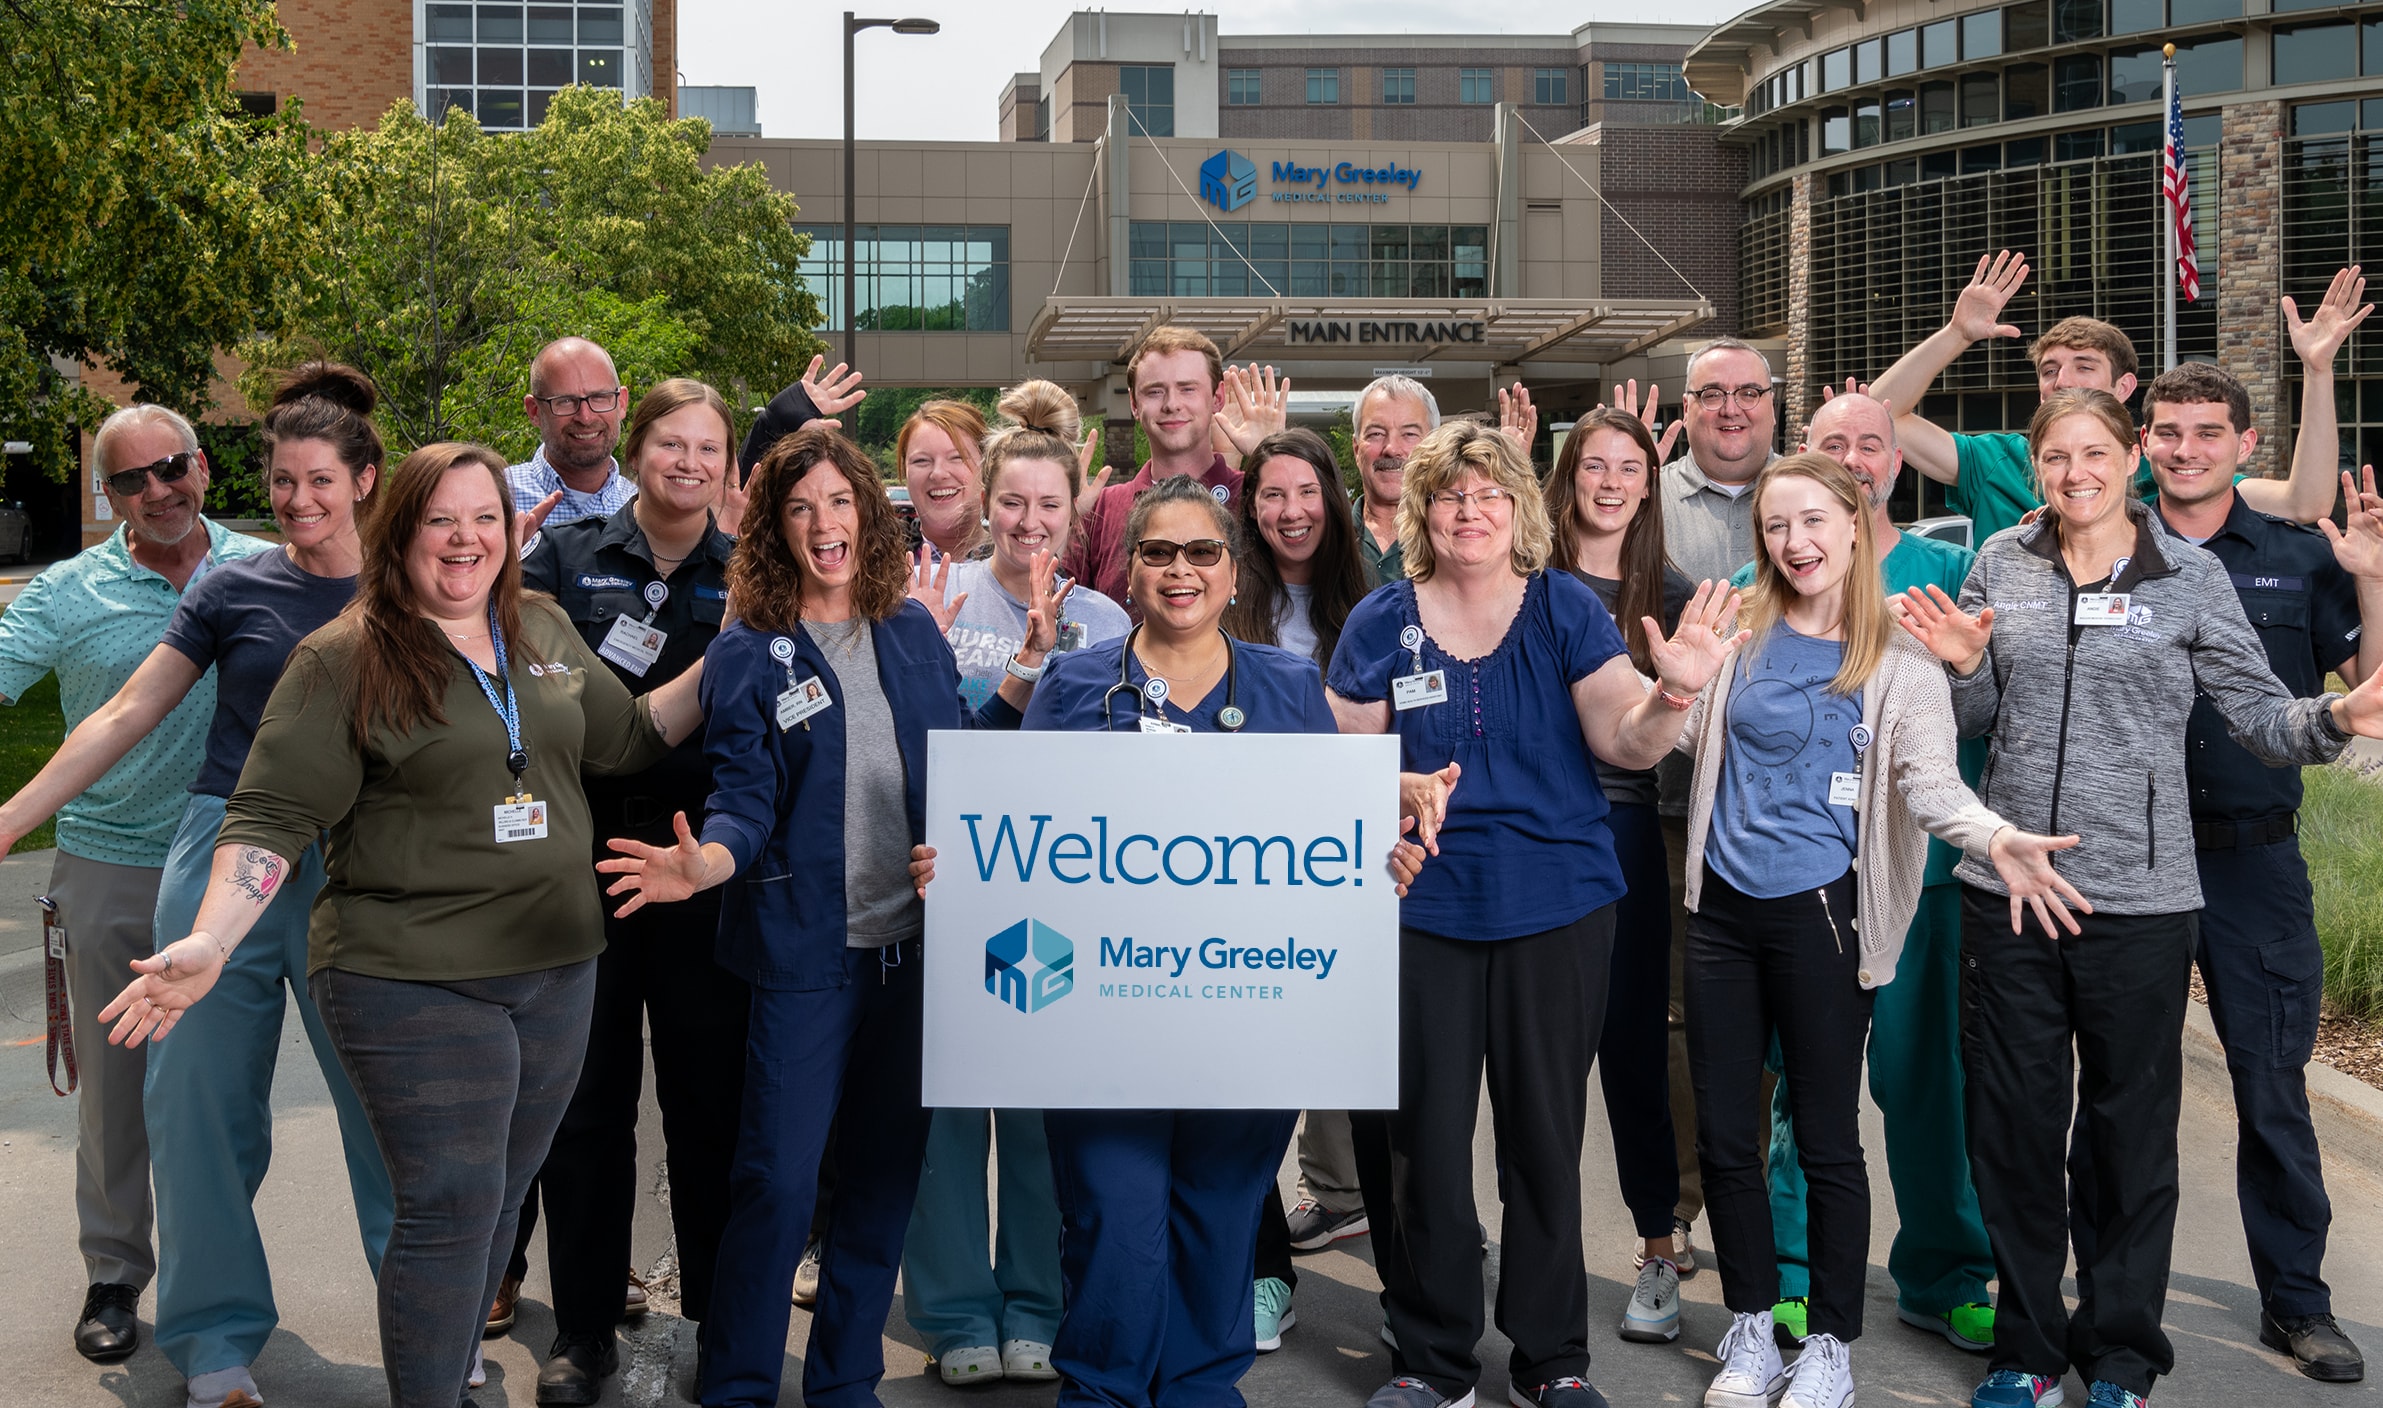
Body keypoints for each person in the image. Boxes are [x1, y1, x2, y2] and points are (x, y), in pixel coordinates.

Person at [98, 440, 708, 1407]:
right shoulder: (346, 657)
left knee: (498, 1203)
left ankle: (448, 1379)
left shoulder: (540, 626)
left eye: (484, 519)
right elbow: (268, 816)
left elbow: (627, 735)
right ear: (400, 533)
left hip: (557, 969)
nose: (465, 540)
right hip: (412, 978)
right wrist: (212, 937)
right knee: (448, 1208)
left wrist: (740, 645)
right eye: (440, 520)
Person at [1896, 389, 2383, 1408]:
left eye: (2094, 453)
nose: (2076, 472)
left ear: (2131, 460)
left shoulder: (2190, 577)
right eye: (2056, 457)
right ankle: (2027, 1351)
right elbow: (1979, 714)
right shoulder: (2000, 565)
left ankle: (2119, 1353)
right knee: (2016, 1128)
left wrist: (2339, 713)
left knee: (2125, 1135)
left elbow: (2257, 715)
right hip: (2013, 888)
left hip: (2141, 900)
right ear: (2037, 469)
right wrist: (1964, 668)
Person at [907, 471, 1421, 1408]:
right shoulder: (1070, 685)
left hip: (1242, 1018)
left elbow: (1325, 845)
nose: (1178, 570)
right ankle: (1102, 1391)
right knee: (1112, 1220)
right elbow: (1012, 841)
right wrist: (961, 871)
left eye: (1201, 552)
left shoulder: (1286, 686)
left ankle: (1196, 1391)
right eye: (1157, 552)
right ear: (1130, 569)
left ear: (1232, 573)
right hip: (1099, 1025)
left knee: (1219, 1222)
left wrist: (1378, 867)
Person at [596, 423, 1044, 1408]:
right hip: (805, 953)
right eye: (799, 508)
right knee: (777, 1181)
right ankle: (744, 1382)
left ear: (866, 515)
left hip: (913, 957)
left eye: (839, 502)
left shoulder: (913, 630)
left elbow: (956, 758)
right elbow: (744, 798)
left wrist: (1017, 680)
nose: (823, 523)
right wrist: (704, 860)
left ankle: (844, 1378)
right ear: (774, 528)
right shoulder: (751, 651)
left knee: (885, 1182)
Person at [1327, 419, 1742, 1408]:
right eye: (1448, 494)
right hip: (1418, 908)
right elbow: (1332, 770)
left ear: (1516, 507)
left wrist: (1673, 694)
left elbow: (1625, 740)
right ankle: (1433, 1361)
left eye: (1487, 493)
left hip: (1557, 905)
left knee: (1544, 1139)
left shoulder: (1562, 608)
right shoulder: (1379, 620)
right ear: (1421, 510)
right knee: (1422, 1143)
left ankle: (1552, 1358)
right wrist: (1392, 788)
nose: (1467, 511)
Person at [0, 367, 393, 1408]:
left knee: (391, 1105)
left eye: (320, 481)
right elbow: (123, 714)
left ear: (364, 480)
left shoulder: (405, 585)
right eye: (283, 483)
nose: (300, 501)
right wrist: (10, 817)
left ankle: (429, 1324)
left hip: (366, 862)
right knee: (196, 1106)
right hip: (223, 848)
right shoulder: (232, 586)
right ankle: (215, 1340)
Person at [1673, 452, 2081, 1408]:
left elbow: (1929, 786)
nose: (1794, 542)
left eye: (1813, 521)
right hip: (1719, 914)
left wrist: (1995, 837)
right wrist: (1669, 690)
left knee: (1825, 1139)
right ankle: (1748, 1327)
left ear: (1855, 526)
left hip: (1823, 914)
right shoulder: (1737, 633)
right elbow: (1672, 741)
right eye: (1775, 526)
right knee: (1729, 1138)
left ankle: (1828, 1347)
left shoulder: (1898, 656)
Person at [0, 402, 274, 1366]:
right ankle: (115, 1271)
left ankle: (215, 1264)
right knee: (118, 1090)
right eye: (131, 479)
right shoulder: (70, 590)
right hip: (113, 863)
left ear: (202, 464)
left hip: (245, 872)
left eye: (172, 468)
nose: (158, 490)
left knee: (224, 1091)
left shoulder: (267, 567)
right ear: (104, 492)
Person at [1732, 389, 2002, 1357]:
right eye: (1832, 443)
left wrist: (1967, 670)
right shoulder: (1757, 577)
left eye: (1871, 444)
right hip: (1793, 885)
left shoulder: (1946, 572)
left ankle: (1946, 1271)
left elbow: (1980, 708)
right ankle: (1795, 1275)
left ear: (1897, 463)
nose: (1854, 457)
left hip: (1914, 878)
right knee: (1805, 1090)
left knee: (1923, 1080)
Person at [2128, 363, 2380, 1383]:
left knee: (2273, 1089)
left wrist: (2369, 570)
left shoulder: (2291, 554)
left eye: (2205, 432)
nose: (2184, 448)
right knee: (2121, 1094)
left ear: (2244, 443)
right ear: (2143, 441)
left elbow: (2367, 688)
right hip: (2131, 858)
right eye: (2166, 431)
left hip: (2251, 862)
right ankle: (2115, 1306)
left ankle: (2298, 1304)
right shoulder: (2106, 546)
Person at [512, 379, 750, 1404]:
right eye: (671, 442)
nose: (688, 462)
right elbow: (530, 704)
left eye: (709, 448)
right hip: (588, 865)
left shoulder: (751, 574)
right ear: (637, 448)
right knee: (585, 1109)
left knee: (710, 1107)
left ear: (726, 467)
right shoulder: (562, 562)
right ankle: (583, 1329)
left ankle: (714, 1321)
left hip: (703, 871)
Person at [898, 379, 1124, 1389]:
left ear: (1075, 512)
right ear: (985, 501)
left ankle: (1039, 1302)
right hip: (942, 891)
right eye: (1013, 503)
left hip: (1057, 900)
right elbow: (909, 747)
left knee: (1039, 1122)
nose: (1030, 523)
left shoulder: (1113, 619)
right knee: (945, 1116)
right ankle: (954, 1312)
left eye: (1050, 506)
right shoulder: (926, 598)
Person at [1543, 401, 1695, 1346]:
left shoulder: (1671, 591)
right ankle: (1542, 1251)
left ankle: (1655, 1245)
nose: (1608, 482)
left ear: (1649, 483)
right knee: (1537, 1060)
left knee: (1633, 1049)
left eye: (1626, 468)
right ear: (1567, 479)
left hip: (1627, 835)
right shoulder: (1524, 582)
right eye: (1592, 466)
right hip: (1530, 834)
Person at [1868, 252, 2360, 539]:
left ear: (2123, 388)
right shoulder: (1996, 460)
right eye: (2050, 370)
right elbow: (1883, 414)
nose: (2062, 381)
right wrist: (1957, 334)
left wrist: (2317, 371)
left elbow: (2303, 502)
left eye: (2084, 367)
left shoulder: (2166, 466)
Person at [1654, 340, 1780, 1277]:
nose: (1730, 410)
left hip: (1798, 811)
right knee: (1687, 1018)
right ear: (1685, 409)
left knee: (1793, 1019)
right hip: (1675, 804)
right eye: (1711, 396)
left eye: (1748, 393)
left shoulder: (1813, 493)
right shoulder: (1648, 504)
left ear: (1774, 404)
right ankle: (1682, 1211)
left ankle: (1775, 1206)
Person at [1059, 329, 1285, 605]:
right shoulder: (1101, 509)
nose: (1171, 404)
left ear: (1217, 397)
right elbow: (1055, 599)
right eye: (1155, 392)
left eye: (1187, 389)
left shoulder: (1255, 496)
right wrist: (1061, 522)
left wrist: (1274, 459)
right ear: (1133, 403)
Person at [1225, 427, 1370, 670]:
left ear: (1332, 499)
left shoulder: (1366, 607)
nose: (1292, 512)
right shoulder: (1223, 607)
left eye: (1308, 492)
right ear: (1252, 506)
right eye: (1274, 495)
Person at [506, 336, 636, 526]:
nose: (585, 417)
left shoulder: (642, 508)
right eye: (565, 401)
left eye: (599, 397)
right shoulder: (498, 498)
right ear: (534, 411)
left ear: (622, 403)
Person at [1350, 374, 1440, 589]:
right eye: (1376, 434)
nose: (1391, 448)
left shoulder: (1455, 536)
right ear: (1356, 449)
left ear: (1435, 447)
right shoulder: (1325, 536)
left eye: (1409, 434)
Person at [899, 397, 993, 562]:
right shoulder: (870, 560)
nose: (938, 473)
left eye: (957, 457)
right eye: (921, 460)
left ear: (986, 467)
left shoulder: (1022, 561)